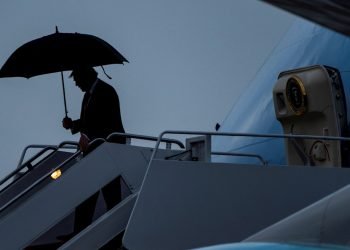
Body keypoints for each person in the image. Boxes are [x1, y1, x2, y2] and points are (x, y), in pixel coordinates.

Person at [60, 66, 125, 243]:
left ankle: (118, 234)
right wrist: (72, 125)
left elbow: (107, 122)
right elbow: (90, 121)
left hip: (107, 150)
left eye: (76, 80)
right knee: (88, 192)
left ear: (85, 77)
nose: (76, 84)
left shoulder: (105, 92)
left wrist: (89, 136)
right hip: (96, 150)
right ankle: (80, 233)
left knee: (110, 194)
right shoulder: (90, 94)